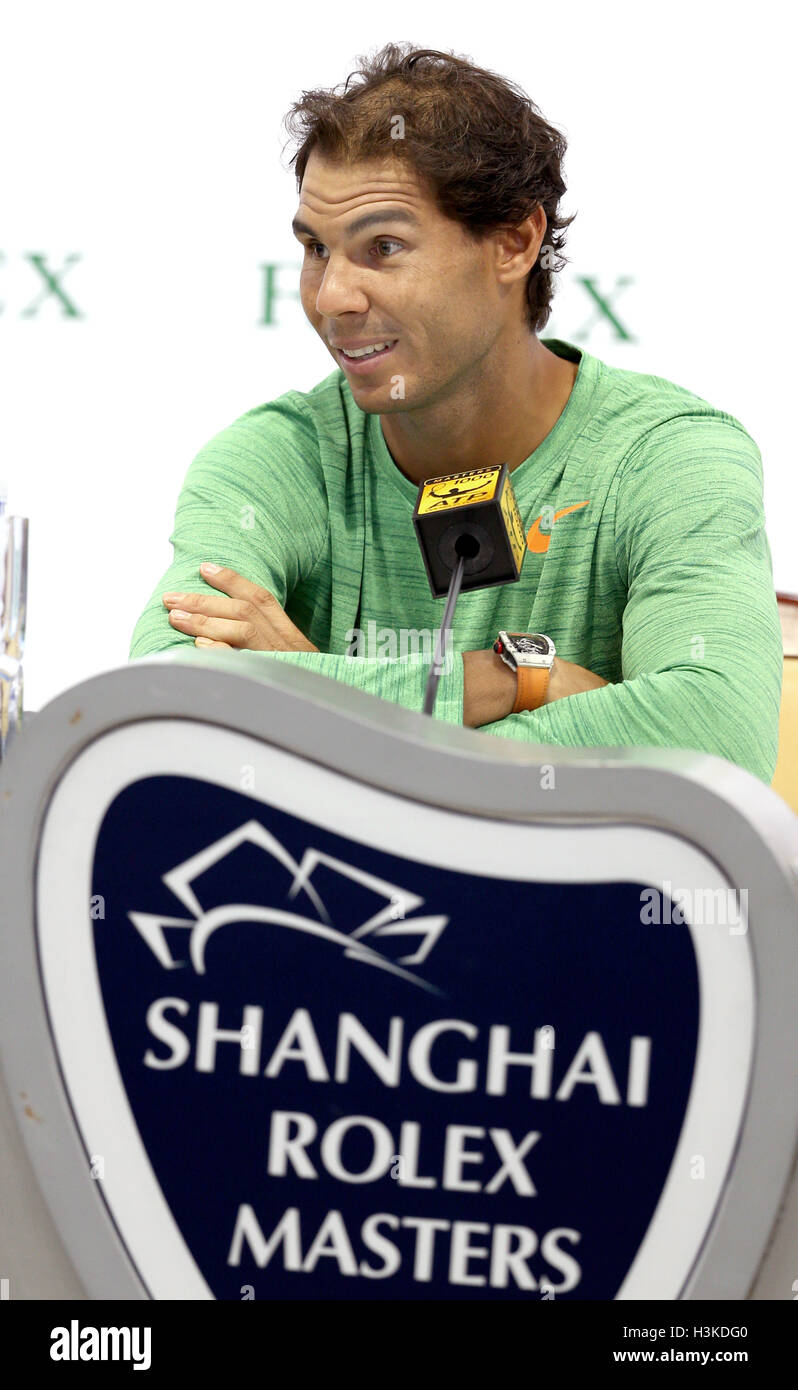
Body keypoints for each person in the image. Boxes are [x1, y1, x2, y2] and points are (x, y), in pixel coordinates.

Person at [129, 43, 782, 784]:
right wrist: (511, 677)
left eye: (382, 247)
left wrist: (314, 698)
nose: (331, 297)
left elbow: (715, 740)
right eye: (316, 248)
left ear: (514, 242)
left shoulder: (672, 456)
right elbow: (168, 699)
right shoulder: (276, 455)